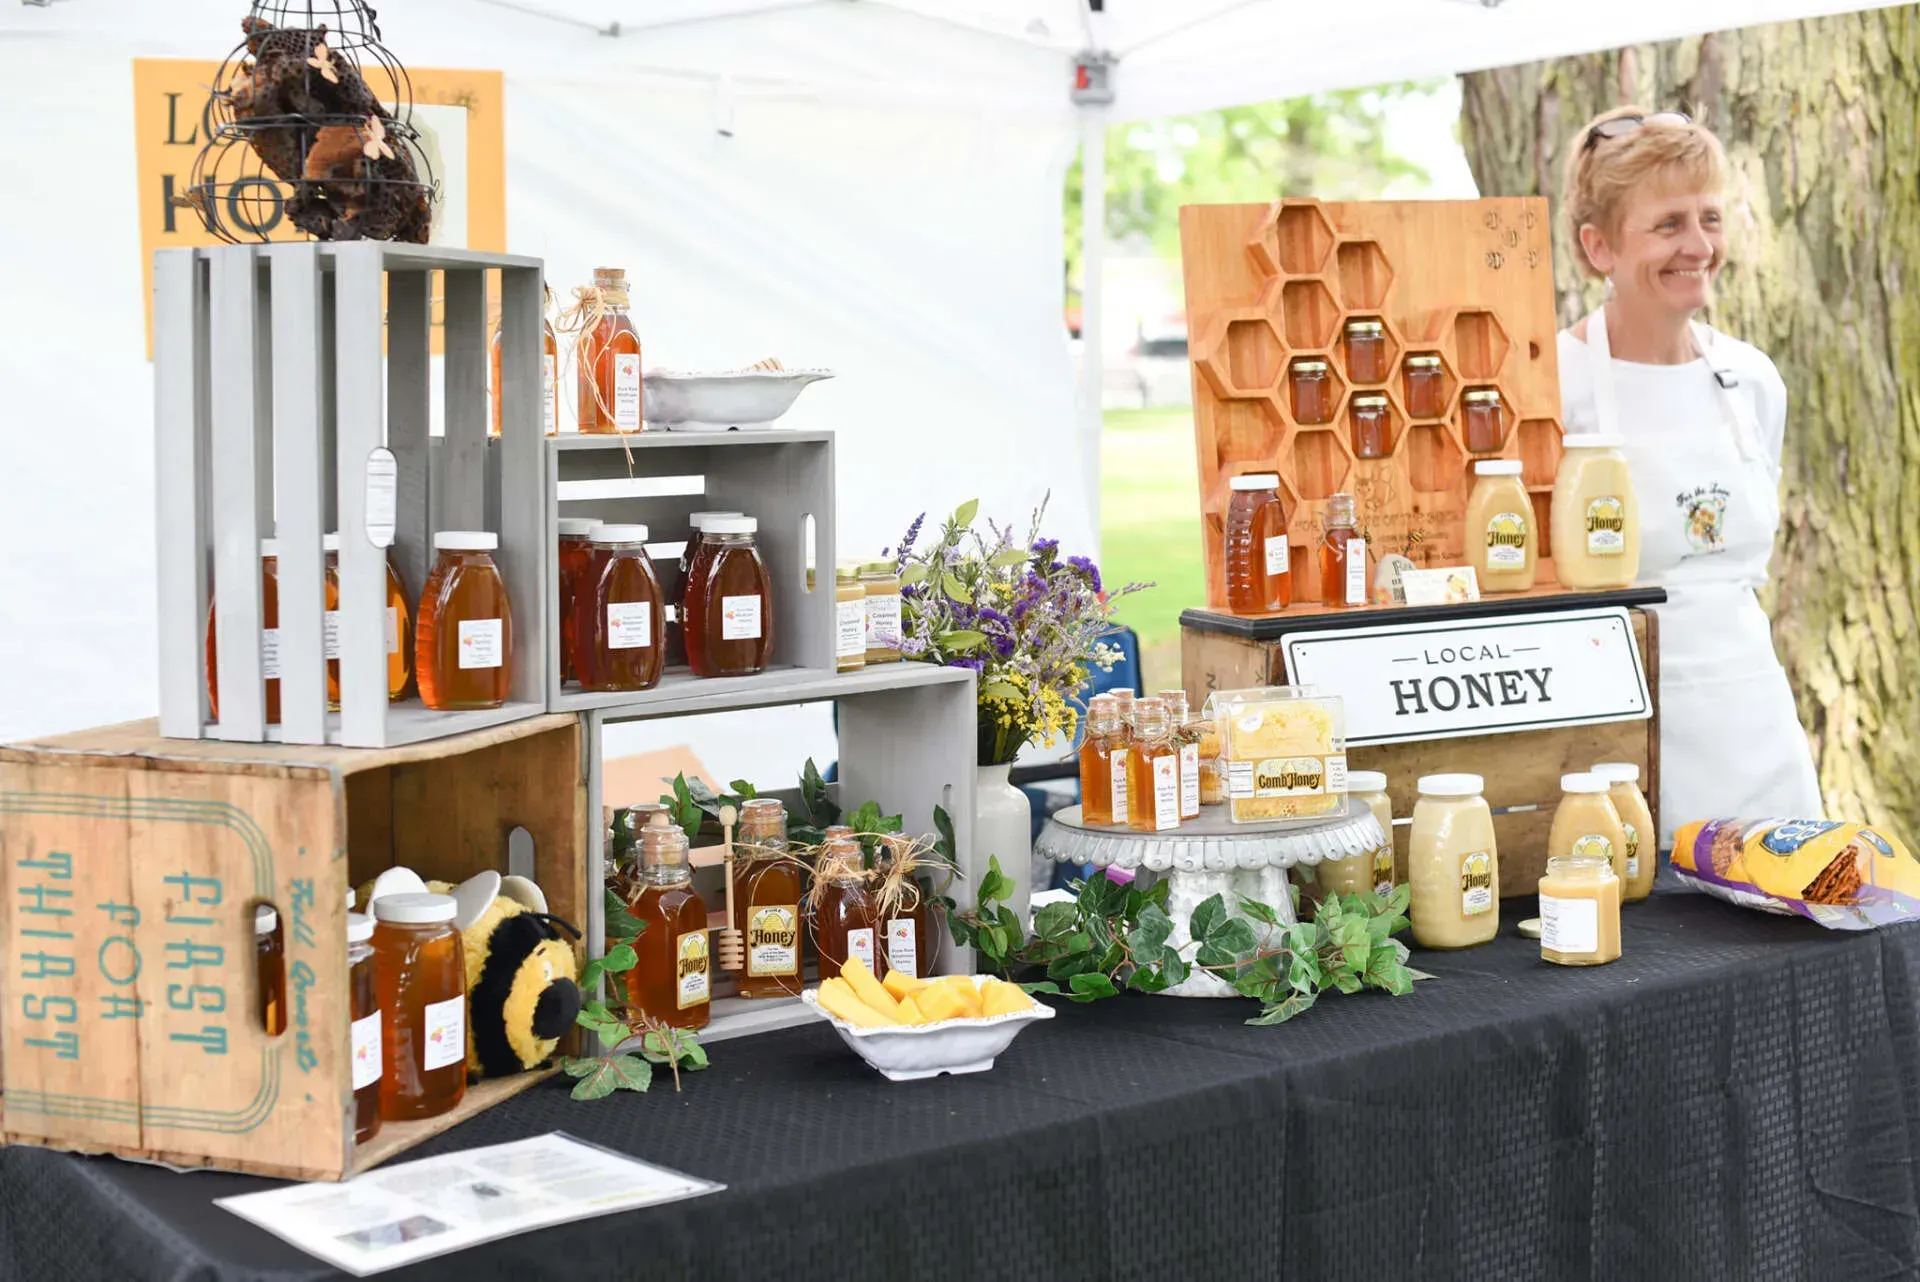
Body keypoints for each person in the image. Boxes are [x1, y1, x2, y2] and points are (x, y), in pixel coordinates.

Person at [1557, 106, 1822, 846]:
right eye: (1669, 224)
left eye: (1709, 218)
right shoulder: (1555, 385)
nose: (1699, 246)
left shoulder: (1751, 380)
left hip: (1758, 726)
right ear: (1598, 246)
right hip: (1622, 743)